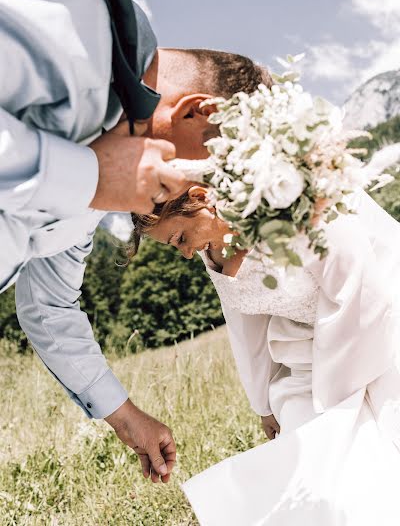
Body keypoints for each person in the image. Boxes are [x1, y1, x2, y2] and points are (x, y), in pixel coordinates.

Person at [0, 0, 273, 483]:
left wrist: (125, 417)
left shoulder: (99, 200)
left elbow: (49, 308)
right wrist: (87, 175)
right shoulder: (77, 19)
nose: (189, 194)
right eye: (205, 172)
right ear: (196, 112)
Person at [131, 184, 400, 524]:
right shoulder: (212, 249)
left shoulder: (288, 202)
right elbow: (244, 322)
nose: (185, 253)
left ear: (201, 198)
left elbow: (357, 288)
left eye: (180, 238)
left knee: (360, 425)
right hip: (311, 338)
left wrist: (335, 396)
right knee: (310, 455)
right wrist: (262, 403)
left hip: (376, 306)